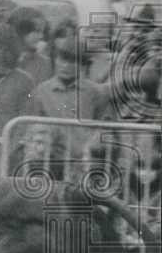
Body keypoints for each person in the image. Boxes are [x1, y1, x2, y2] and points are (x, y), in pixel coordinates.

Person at [32, 19, 115, 157]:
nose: (66, 66)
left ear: (82, 65)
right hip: (52, 160)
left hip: (85, 159)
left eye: (72, 61)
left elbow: (106, 125)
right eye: (62, 60)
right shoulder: (41, 91)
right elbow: (33, 126)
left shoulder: (96, 91)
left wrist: (96, 142)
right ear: (55, 60)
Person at [7, 5, 53, 84]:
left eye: (42, 31)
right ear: (19, 30)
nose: (41, 36)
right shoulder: (2, 57)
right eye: (37, 31)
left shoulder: (44, 64)